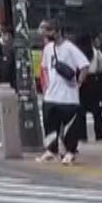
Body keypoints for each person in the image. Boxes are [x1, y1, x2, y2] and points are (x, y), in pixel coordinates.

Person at [37, 21, 88, 164]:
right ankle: (51, 150)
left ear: (57, 31)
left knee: (69, 127)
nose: (47, 34)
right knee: (50, 125)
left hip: (68, 97)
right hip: (51, 95)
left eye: (49, 31)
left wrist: (78, 83)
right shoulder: (48, 48)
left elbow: (84, 65)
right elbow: (45, 68)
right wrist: (46, 87)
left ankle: (70, 151)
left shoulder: (70, 48)